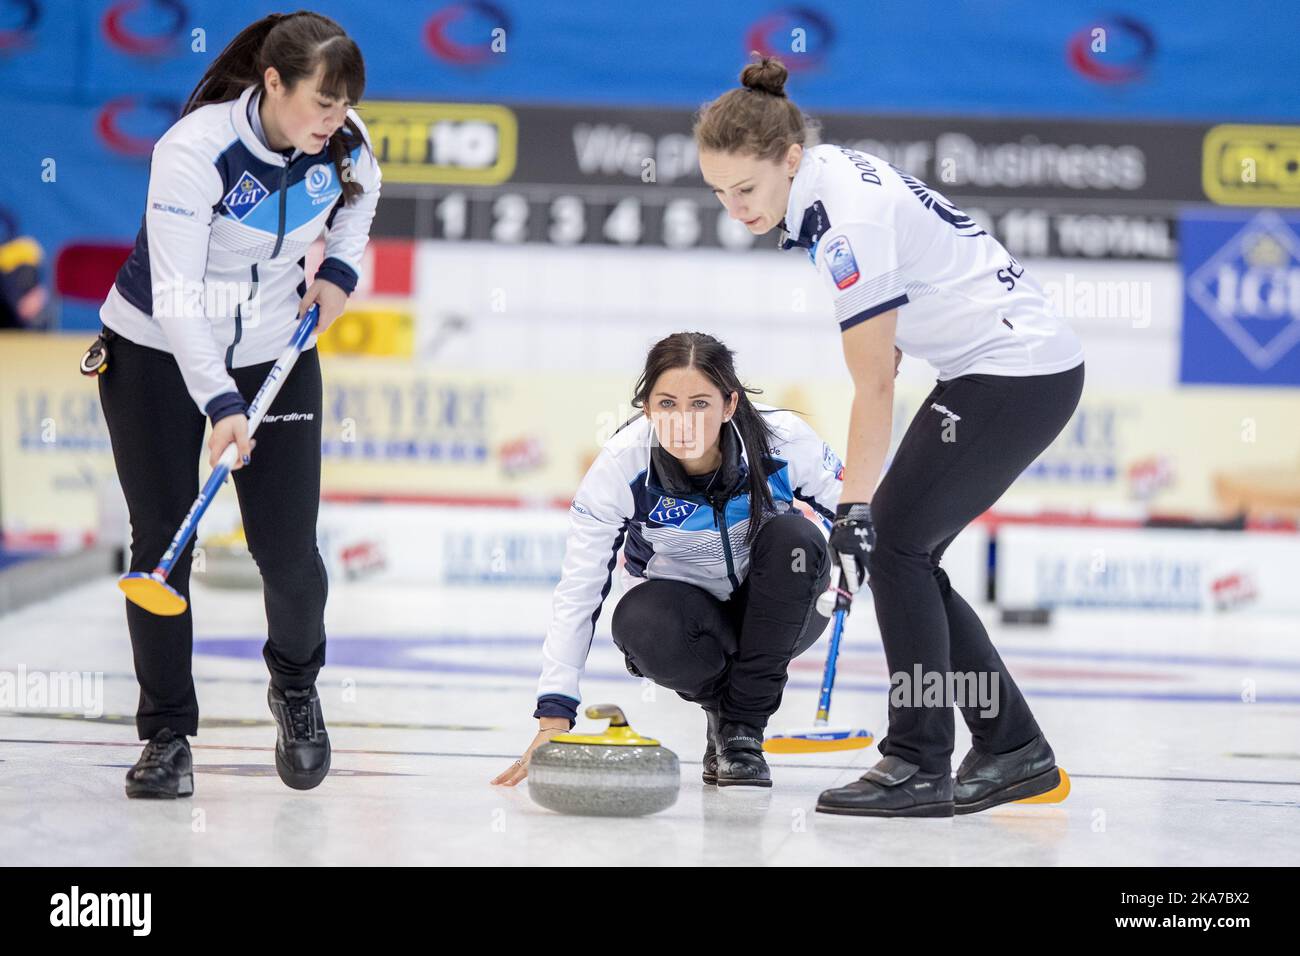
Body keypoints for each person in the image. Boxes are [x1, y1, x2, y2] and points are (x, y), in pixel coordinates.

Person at [694, 57, 1085, 817]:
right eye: (718, 192)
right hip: (999, 365)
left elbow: (875, 384)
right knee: (911, 555)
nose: (735, 209)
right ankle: (1012, 748)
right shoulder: (826, 182)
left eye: (746, 189)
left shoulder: (846, 224)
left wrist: (852, 507)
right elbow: (890, 346)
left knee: (896, 544)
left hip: (1016, 372)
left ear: (790, 159)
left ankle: (917, 761)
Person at [95, 11, 381, 798]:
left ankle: (294, 687)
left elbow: (361, 200)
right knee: (162, 544)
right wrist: (219, 400)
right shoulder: (193, 152)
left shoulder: (344, 139)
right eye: (321, 103)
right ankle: (166, 737)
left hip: (272, 352)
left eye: (345, 103)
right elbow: (178, 296)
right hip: (156, 347)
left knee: (288, 551)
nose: (336, 120)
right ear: (274, 83)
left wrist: (339, 276)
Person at [492, 332, 848, 789]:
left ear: (730, 404)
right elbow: (578, 590)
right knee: (638, 620)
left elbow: (860, 514)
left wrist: (863, 556)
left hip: (782, 610)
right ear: (646, 408)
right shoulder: (621, 467)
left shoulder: (784, 441)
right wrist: (553, 719)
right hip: (688, 621)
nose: (683, 422)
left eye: (700, 404)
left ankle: (742, 731)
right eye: (666, 404)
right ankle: (729, 717)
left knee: (795, 540)